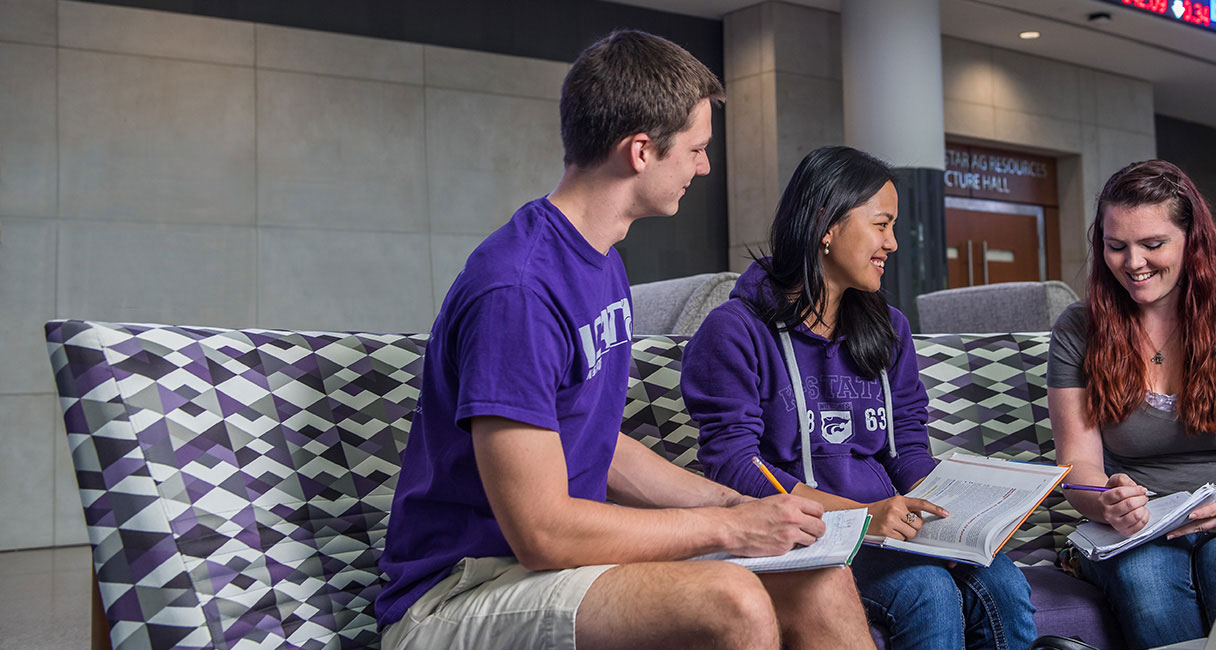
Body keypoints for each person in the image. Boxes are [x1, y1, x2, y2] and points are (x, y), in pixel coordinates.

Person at [376, 31, 874, 650]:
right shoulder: (519, 290)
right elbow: (543, 533)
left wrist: (731, 504)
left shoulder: (601, 260)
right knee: (734, 601)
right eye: (696, 148)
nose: (704, 166)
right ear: (641, 150)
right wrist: (728, 530)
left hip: (553, 572)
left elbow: (594, 444)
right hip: (460, 590)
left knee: (818, 578)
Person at [681, 145, 1039, 650]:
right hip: (803, 535)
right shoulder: (734, 331)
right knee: (927, 591)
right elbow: (735, 466)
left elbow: (907, 449)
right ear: (826, 224)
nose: (893, 243)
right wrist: (861, 515)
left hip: (884, 526)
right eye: (881, 224)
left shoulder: (888, 328)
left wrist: (965, 512)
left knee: (1002, 579)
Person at [1048, 160, 1216, 650]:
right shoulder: (1078, 329)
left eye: (1153, 245)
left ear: (1192, 241)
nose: (1133, 263)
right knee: (1145, 579)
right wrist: (1106, 503)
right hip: (1141, 530)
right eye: (1116, 246)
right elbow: (1080, 466)